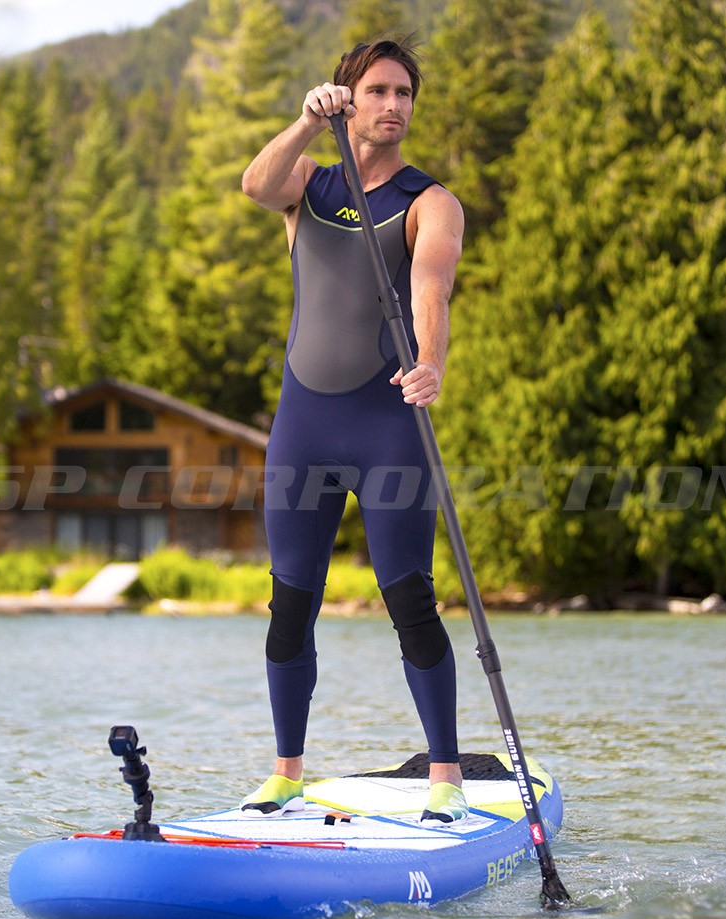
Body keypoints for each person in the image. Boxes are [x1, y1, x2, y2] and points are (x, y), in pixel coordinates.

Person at [239, 39, 467, 824]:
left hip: (387, 429)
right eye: (378, 90)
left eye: (405, 92)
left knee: (410, 599)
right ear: (347, 97)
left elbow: (431, 287)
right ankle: (287, 774)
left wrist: (430, 363)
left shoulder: (429, 200)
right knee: (290, 602)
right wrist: (305, 122)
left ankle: (445, 777)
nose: (394, 105)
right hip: (303, 430)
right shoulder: (307, 183)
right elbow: (254, 184)